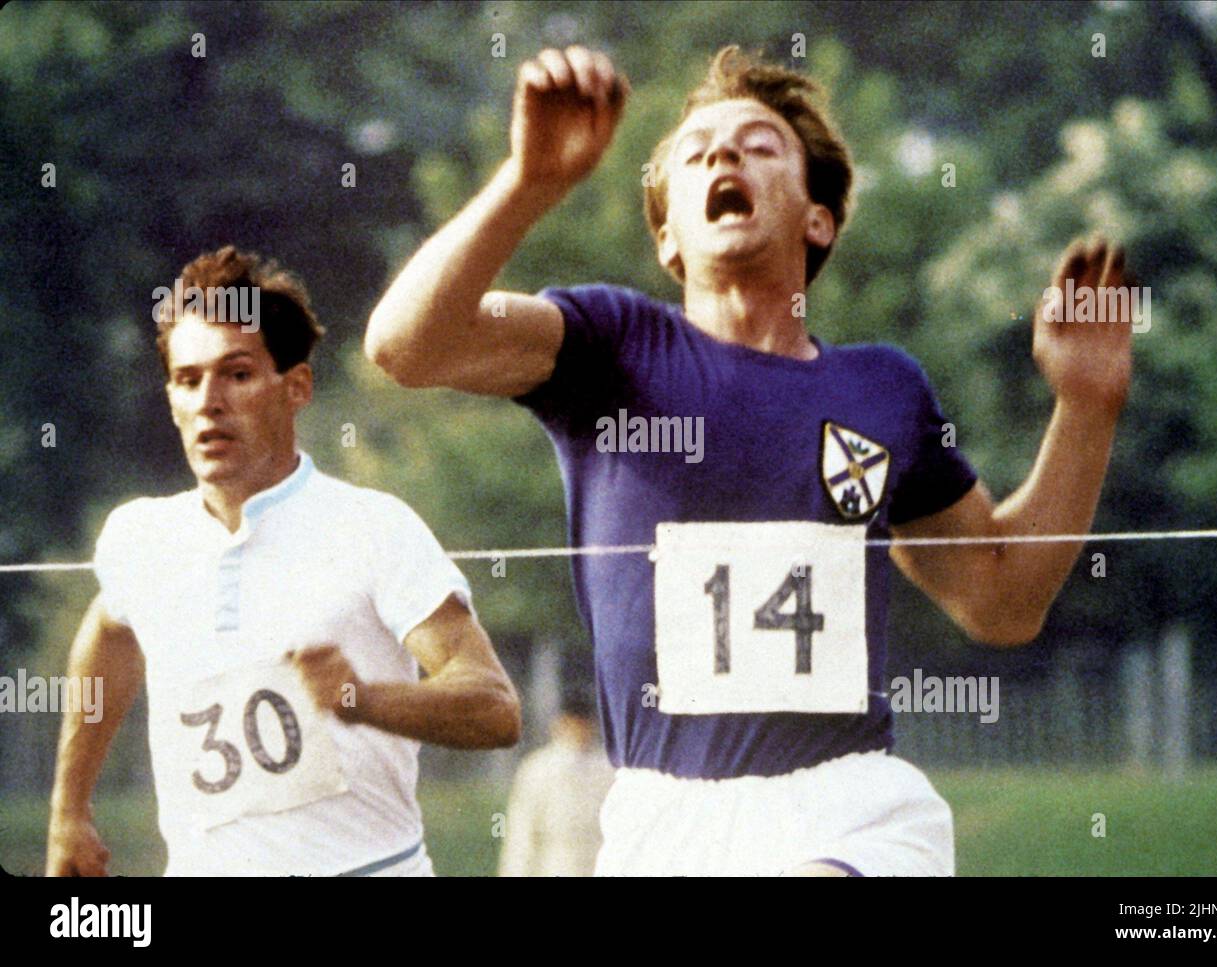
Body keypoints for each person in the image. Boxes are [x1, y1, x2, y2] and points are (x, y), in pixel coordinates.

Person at [365, 45, 1132, 876]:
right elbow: (406, 346)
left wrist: (1086, 407)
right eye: (696, 154)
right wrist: (530, 182)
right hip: (664, 819)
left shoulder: (883, 386)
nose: (723, 155)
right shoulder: (609, 343)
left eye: (760, 145)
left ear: (818, 217)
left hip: (849, 805)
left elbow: (1002, 598)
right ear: (668, 237)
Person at [46, 245, 521, 877]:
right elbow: (108, 635)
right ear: (170, 398)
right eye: (188, 380)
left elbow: (494, 707)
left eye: (236, 374)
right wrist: (69, 811)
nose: (209, 401)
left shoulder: (375, 527)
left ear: (295, 387)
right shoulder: (139, 538)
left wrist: (361, 699)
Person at [498, 686, 615, 877]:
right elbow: (521, 834)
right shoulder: (537, 768)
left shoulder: (608, 768)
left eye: (584, 724)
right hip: (554, 865)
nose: (579, 730)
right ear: (560, 724)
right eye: (573, 723)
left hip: (598, 864)